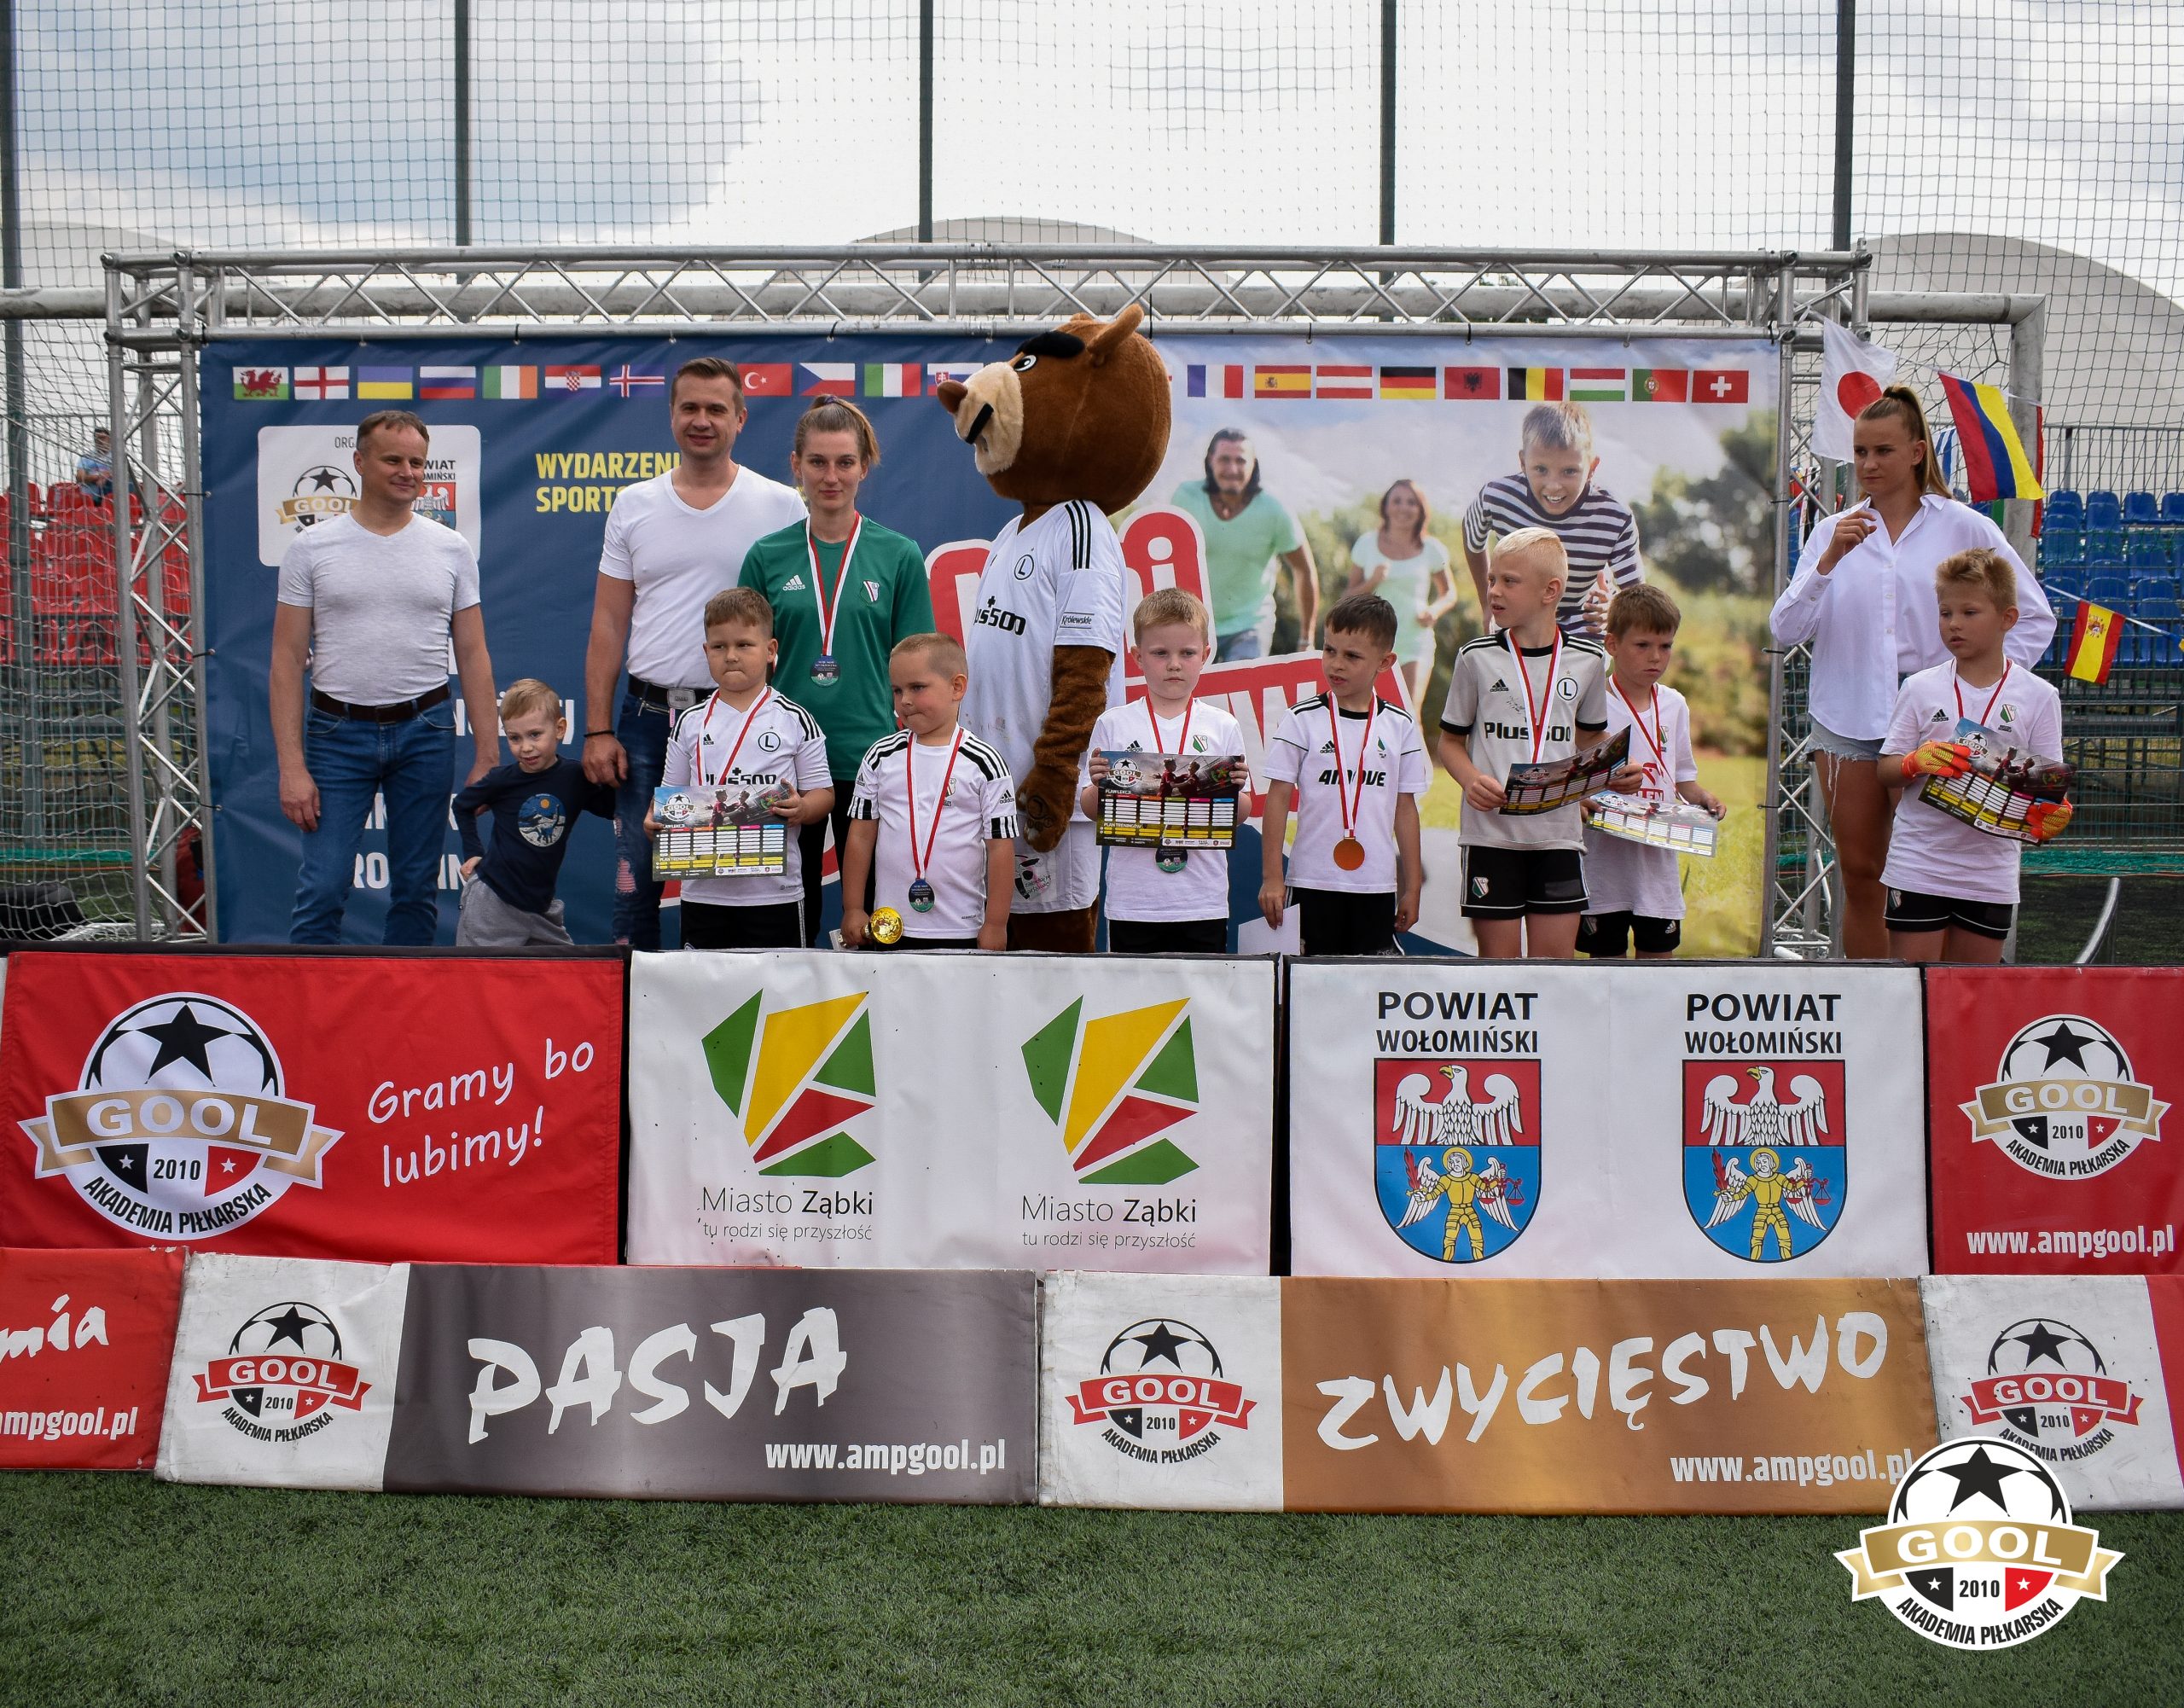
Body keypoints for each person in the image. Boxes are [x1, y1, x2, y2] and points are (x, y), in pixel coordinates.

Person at [1769, 385, 2056, 959]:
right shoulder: (1831, 532)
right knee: (1861, 872)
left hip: (1942, 732)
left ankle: (1942, 1000)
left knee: (1941, 877)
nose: (1869, 464)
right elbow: (1785, 630)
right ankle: (1876, 1000)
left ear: (1917, 452)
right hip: (1849, 720)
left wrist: (1980, 691)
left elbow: (2031, 617)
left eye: (1883, 451)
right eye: (1860, 452)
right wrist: (1827, 563)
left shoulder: (1965, 527)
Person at [584, 357, 807, 950]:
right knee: (637, 880)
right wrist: (598, 729)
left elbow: (798, 621)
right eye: (689, 407)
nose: (701, 420)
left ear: (740, 417)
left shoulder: (782, 505)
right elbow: (608, 622)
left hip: (744, 726)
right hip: (649, 722)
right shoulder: (634, 504)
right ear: (672, 415)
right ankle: (633, 1007)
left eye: (716, 408)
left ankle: (737, 1004)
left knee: (739, 890)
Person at [272, 409, 498, 945]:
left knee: (417, 889)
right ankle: (308, 999)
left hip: (426, 731)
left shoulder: (450, 547)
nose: (408, 472)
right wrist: (291, 767)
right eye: (393, 459)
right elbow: (285, 659)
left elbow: (473, 654)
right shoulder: (310, 547)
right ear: (359, 461)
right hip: (335, 736)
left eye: (417, 462)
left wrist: (488, 755)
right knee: (323, 888)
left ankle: (406, 1001)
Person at [737, 398, 934, 943]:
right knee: (783, 915)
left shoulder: (899, 555)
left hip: (869, 757)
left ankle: (874, 998)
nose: (831, 476)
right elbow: (745, 668)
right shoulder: (766, 556)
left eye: (845, 462)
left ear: (863, 467)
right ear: (795, 465)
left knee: (871, 919)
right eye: (818, 462)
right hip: (783, 763)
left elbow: (919, 669)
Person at [1438, 528, 1635, 960]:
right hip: (1491, 837)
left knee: (1554, 974)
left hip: (1558, 838)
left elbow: (1589, 737)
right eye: (1492, 580)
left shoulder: (1588, 660)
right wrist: (1470, 779)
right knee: (1499, 976)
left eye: (1509, 581)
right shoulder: (1475, 657)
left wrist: (1614, 767)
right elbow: (1449, 741)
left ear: (1551, 591)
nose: (1494, 591)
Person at [1878, 548, 2068, 964]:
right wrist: (1913, 762)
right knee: (1913, 986)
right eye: (1945, 613)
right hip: (1919, 864)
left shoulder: (2040, 696)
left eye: (1969, 612)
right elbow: (1886, 770)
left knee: (1974, 991)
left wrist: (2054, 811)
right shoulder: (1919, 688)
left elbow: (2049, 784)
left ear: (2008, 619)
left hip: (1990, 873)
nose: (1954, 624)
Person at [646, 589, 833, 950]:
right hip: (703, 890)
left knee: (778, 985)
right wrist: (654, 819)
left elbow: (824, 794)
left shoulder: (795, 719)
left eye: (744, 645)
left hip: (775, 893)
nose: (731, 655)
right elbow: (669, 797)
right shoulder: (689, 722)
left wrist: (803, 808)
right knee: (707, 986)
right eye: (719, 646)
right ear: (706, 652)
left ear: (771, 649)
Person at [1258, 593, 1427, 956]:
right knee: (1309, 980)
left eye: (1352, 656)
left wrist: (1411, 887)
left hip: (1376, 885)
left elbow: (1405, 808)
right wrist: (1272, 877)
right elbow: (1278, 798)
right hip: (1311, 881)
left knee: (1366, 983)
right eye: (1329, 650)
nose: (1336, 664)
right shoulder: (1301, 719)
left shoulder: (1400, 725)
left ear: (1385, 662)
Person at [1078, 588, 1244, 954]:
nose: (1174, 664)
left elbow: (1237, 814)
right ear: (1137, 656)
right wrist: (1097, 786)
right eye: (1160, 653)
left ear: (1205, 655)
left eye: (1187, 653)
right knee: (1134, 992)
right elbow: (1091, 810)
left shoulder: (1223, 725)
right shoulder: (1113, 724)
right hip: (1133, 902)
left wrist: (1234, 790)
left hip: (1202, 900)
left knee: (1200, 990)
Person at [1577, 584, 1726, 960]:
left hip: (1657, 868)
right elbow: (1574, 777)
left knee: (1657, 971)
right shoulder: (1591, 703)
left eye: (1666, 646)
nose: (1656, 657)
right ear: (1612, 644)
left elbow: (1683, 778)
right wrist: (1588, 796)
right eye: (1642, 645)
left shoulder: (1675, 704)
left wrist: (1704, 799)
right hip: (1603, 865)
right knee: (1605, 974)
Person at [843, 633, 1016, 951]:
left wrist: (995, 923)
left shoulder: (985, 763)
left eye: (917, 687)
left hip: (961, 929)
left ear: (957, 687)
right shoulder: (880, 756)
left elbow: (1000, 849)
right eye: (897, 690)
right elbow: (861, 836)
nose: (905, 700)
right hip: (890, 927)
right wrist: (853, 907)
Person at [452, 680, 615, 946]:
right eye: (515, 738)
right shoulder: (501, 779)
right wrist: (472, 852)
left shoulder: (575, 777)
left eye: (535, 735)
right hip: (492, 903)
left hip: (541, 909)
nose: (525, 747)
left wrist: (625, 778)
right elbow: (462, 805)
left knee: (565, 970)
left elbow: (612, 808)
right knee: (482, 972)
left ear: (560, 729)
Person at [1461, 402, 1640, 641]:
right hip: (1518, 618)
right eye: (1541, 469)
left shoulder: (1615, 518)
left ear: (1591, 467)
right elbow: (1472, 536)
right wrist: (1487, 602)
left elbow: (1636, 594)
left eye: (1569, 471)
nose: (1554, 485)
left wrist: (1613, 610)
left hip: (1583, 624)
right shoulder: (1497, 498)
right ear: (1523, 462)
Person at [1169, 428, 1319, 659]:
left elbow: (1304, 570)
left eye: (1240, 461)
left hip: (1250, 625)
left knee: (1241, 678)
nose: (1232, 470)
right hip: (1193, 622)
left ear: (1253, 464)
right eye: (1224, 460)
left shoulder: (1274, 510)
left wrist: (1306, 639)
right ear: (1210, 461)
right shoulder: (1186, 497)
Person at [1346, 478, 1455, 707]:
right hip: (1371, 642)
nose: (1404, 508)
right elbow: (1347, 598)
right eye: (1397, 501)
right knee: (1372, 713)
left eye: (1411, 502)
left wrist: (1434, 610)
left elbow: (1449, 593)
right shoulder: (1366, 544)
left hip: (1414, 640)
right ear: (1386, 507)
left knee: (1408, 713)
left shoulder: (1432, 549)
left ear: (1421, 509)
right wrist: (1372, 582)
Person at [74, 427, 113, 502]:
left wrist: (108, 475)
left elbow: (123, 474)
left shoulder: (116, 457)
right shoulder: (86, 457)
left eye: (103, 438)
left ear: (109, 439)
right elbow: (79, 477)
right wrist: (98, 477)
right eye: (97, 439)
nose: (100, 441)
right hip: (90, 498)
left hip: (111, 495)